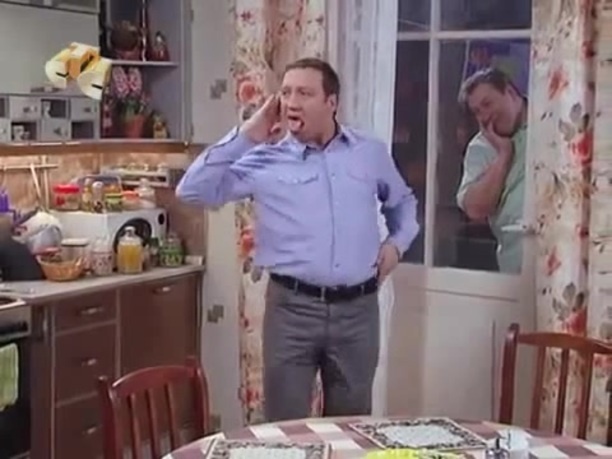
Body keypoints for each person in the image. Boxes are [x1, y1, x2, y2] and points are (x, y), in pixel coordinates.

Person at [176, 57, 419, 421]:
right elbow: (191, 191)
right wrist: (247, 135)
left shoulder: (369, 153)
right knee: (286, 428)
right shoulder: (265, 158)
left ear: (331, 102)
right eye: (286, 93)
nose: (291, 102)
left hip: (358, 312)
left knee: (350, 427)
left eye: (304, 93)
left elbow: (403, 203)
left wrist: (396, 245)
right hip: (291, 311)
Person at [456, 67, 527, 274]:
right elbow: (475, 209)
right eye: (477, 111)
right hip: (517, 261)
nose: (484, 116)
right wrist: (504, 156)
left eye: (487, 104)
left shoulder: (552, 120)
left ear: (510, 93)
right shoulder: (481, 147)